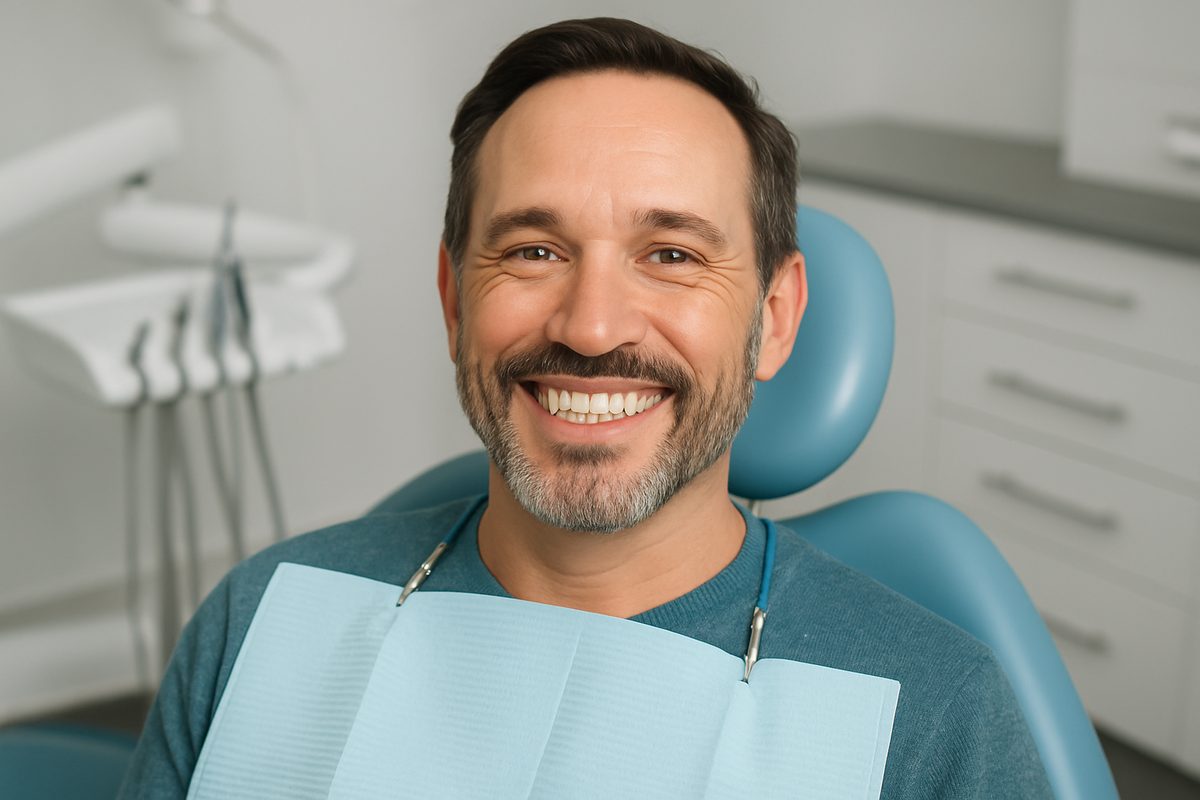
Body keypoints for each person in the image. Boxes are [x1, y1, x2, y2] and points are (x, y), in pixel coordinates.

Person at [119, 17, 1053, 798]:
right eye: (532, 250)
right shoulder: (262, 623)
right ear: (454, 301)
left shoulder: (934, 717)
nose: (595, 325)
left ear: (772, 319)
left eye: (673, 255)